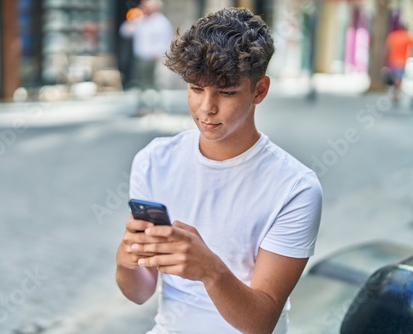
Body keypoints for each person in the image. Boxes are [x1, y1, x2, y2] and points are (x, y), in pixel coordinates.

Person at [116, 7, 322, 334]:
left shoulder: (295, 187)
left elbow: (260, 322)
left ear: (260, 90)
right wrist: (126, 261)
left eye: (225, 92)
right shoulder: (154, 160)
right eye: (196, 88)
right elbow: (140, 292)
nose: (206, 108)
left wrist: (211, 271)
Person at [119, 0, 174, 113]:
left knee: (158, 84)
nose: (143, 7)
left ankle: (159, 108)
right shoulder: (139, 20)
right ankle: (143, 108)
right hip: (141, 58)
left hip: (156, 58)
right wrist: (132, 20)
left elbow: (167, 41)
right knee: (142, 84)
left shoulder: (162, 22)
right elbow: (124, 32)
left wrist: (158, 53)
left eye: (147, 6)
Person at [385, 23, 413, 102]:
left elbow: (387, 48)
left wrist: (385, 60)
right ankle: (396, 93)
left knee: (396, 78)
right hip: (401, 61)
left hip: (392, 60)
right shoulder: (407, 36)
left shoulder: (392, 36)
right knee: (398, 79)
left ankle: (395, 93)